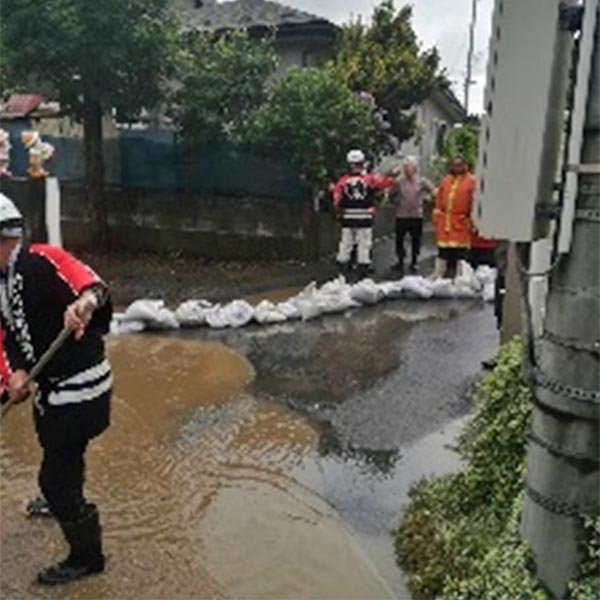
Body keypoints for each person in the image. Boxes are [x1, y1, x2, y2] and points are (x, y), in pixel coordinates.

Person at [0, 192, 113, 585]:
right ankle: (59, 498)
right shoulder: (2, 282)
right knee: (57, 445)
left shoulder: (42, 259)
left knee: (56, 474)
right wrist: (14, 374)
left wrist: (83, 303)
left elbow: (93, 285)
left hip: (81, 386)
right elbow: (9, 338)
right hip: (50, 388)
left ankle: (87, 557)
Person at [332, 149, 395, 280]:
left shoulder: (342, 181)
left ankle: (342, 272)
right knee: (364, 244)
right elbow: (383, 183)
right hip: (365, 217)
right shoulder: (369, 179)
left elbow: (337, 200)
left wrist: (339, 212)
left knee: (346, 243)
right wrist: (392, 177)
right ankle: (362, 274)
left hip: (348, 218)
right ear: (362, 163)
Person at [388, 157, 435, 275]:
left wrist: (430, 199)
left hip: (416, 215)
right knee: (399, 240)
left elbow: (434, 191)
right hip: (401, 215)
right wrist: (394, 201)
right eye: (405, 168)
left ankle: (414, 261)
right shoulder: (399, 182)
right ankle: (400, 261)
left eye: (409, 167)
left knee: (416, 240)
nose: (407, 170)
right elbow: (391, 194)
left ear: (415, 169)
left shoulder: (422, 181)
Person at [432, 156, 476, 279]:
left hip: (461, 222)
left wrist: (471, 218)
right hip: (445, 222)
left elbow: (475, 201)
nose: (457, 168)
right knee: (443, 250)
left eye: (459, 165)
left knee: (461, 252)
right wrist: (437, 214)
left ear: (464, 165)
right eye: (454, 165)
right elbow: (439, 198)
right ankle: (439, 275)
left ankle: (462, 276)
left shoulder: (471, 181)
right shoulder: (446, 180)